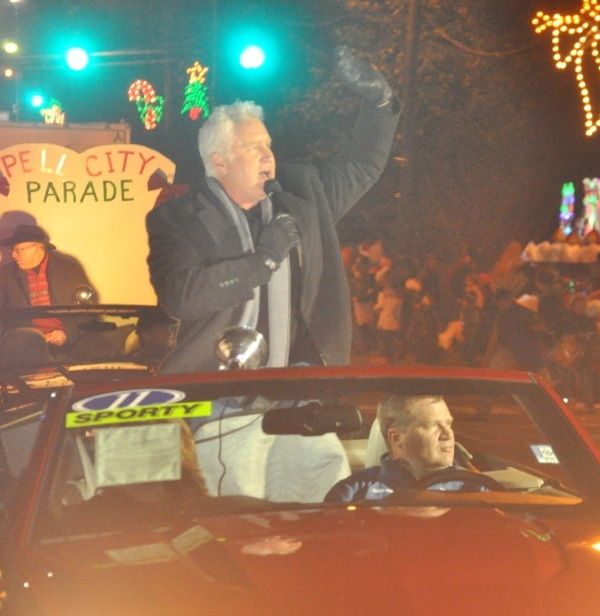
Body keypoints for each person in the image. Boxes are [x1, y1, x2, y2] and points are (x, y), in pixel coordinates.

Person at [146, 46, 399, 373]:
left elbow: (362, 164)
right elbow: (184, 298)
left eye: (266, 144)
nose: (267, 155)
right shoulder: (180, 215)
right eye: (252, 148)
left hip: (296, 384)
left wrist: (379, 102)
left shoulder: (304, 198)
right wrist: (263, 259)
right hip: (209, 388)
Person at [323, 395, 486, 503]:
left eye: (448, 424)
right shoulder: (353, 493)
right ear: (397, 438)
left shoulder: (477, 489)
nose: (447, 434)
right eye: (431, 426)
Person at [1, 224, 98, 352]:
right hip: (26, 346)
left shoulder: (68, 269)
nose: (13, 255)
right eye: (12, 250)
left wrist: (67, 334)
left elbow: (88, 309)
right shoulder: (6, 275)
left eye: (19, 250)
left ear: (38, 247)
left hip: (69, 343)